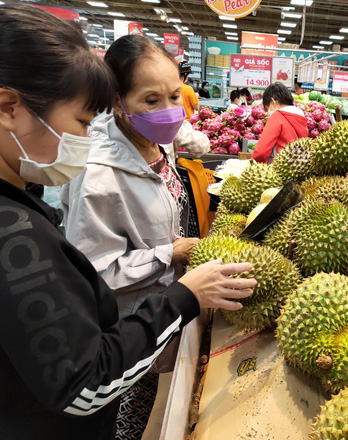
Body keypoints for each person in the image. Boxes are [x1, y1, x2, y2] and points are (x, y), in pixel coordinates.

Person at [0, 5, 255, 440]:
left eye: (175, 95)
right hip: (119, 353)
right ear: (8, 107)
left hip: (136, 341)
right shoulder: (18, 231)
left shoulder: (157, 150)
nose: (87, 137)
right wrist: (180, 290)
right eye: (82, 122)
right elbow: (81, 383)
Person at [58, 35, 234, 439]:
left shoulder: (156, 144)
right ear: (117, 100)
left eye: (175, 96)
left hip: (167, 311)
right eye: (151, 101)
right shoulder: (95, 176)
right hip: (130, 332)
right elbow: (94, 275)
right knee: (135, 421)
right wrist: (167, 253)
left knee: (162, 404)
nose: (170, 111)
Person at [251, 82, 308, 163]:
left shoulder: (276, 117)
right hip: (297, 170)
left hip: (279, 169)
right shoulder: (300, 118)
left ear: (273, 102)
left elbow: (261, 152)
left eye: (267, 109)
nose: (268, 114)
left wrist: (255, 165)